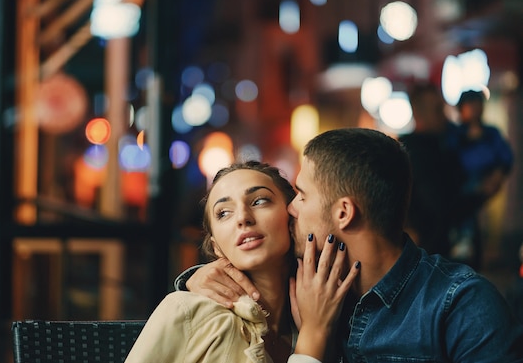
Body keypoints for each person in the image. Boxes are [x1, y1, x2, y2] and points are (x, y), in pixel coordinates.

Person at [177, 128, 523, 362]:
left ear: (343, 213)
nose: (291, 208)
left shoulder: (460, 305)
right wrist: (197, 277)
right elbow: (246, 269)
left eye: (301, 195)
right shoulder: (302, 281)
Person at [125, 161, 359, 363]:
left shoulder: (328, 311)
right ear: (216, 246)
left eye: (259, 201)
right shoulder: (189, 311)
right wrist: (313, 336)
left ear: (292, 216)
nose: (243, 218)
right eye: (224, 213)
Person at [446, 89, 514, 269]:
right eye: (471, 105)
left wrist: (497, 174)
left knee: (490, 226)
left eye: (478, 105)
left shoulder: (491, 133)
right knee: (465, 233)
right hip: (461, 192)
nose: (475, 109)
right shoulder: (453, 134)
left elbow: (505, 156)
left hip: (488, 187)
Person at [398, 84, 468, 257]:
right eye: (438, 110)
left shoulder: (443, 146)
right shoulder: (416, 152)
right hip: (427, 252)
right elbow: (439, 204)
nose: (444, 116)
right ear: (418, 112)